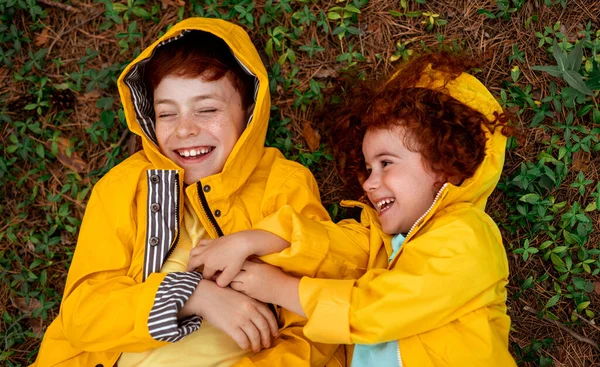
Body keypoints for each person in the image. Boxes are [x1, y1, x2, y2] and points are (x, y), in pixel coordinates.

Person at [32, 17, 364, 367]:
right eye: (166, 114)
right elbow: (84, 314)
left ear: (248, 112)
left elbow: (320, 304)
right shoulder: (122, 188)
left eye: (207, 110)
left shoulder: (282, 184)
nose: (185, 130)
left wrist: (256, 240)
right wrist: (192, 295)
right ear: (149, 119)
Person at [190, 52, 517, 366]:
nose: (369, 183)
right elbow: (330, 246)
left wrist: (282, 289)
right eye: (368, 168)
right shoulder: (386, 242)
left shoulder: (467, 234)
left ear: (444, 163)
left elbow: (381, 309)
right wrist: (250, 241)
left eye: (386, 163)